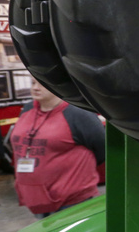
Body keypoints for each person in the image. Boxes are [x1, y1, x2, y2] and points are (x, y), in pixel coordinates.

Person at [9, 79, 105, 218]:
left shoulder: (78, 113)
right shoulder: (28, 109)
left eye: (42, 83)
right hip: (37, 198)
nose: (35, 88)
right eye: (33, 83)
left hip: (72, 201)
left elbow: (101, 146)